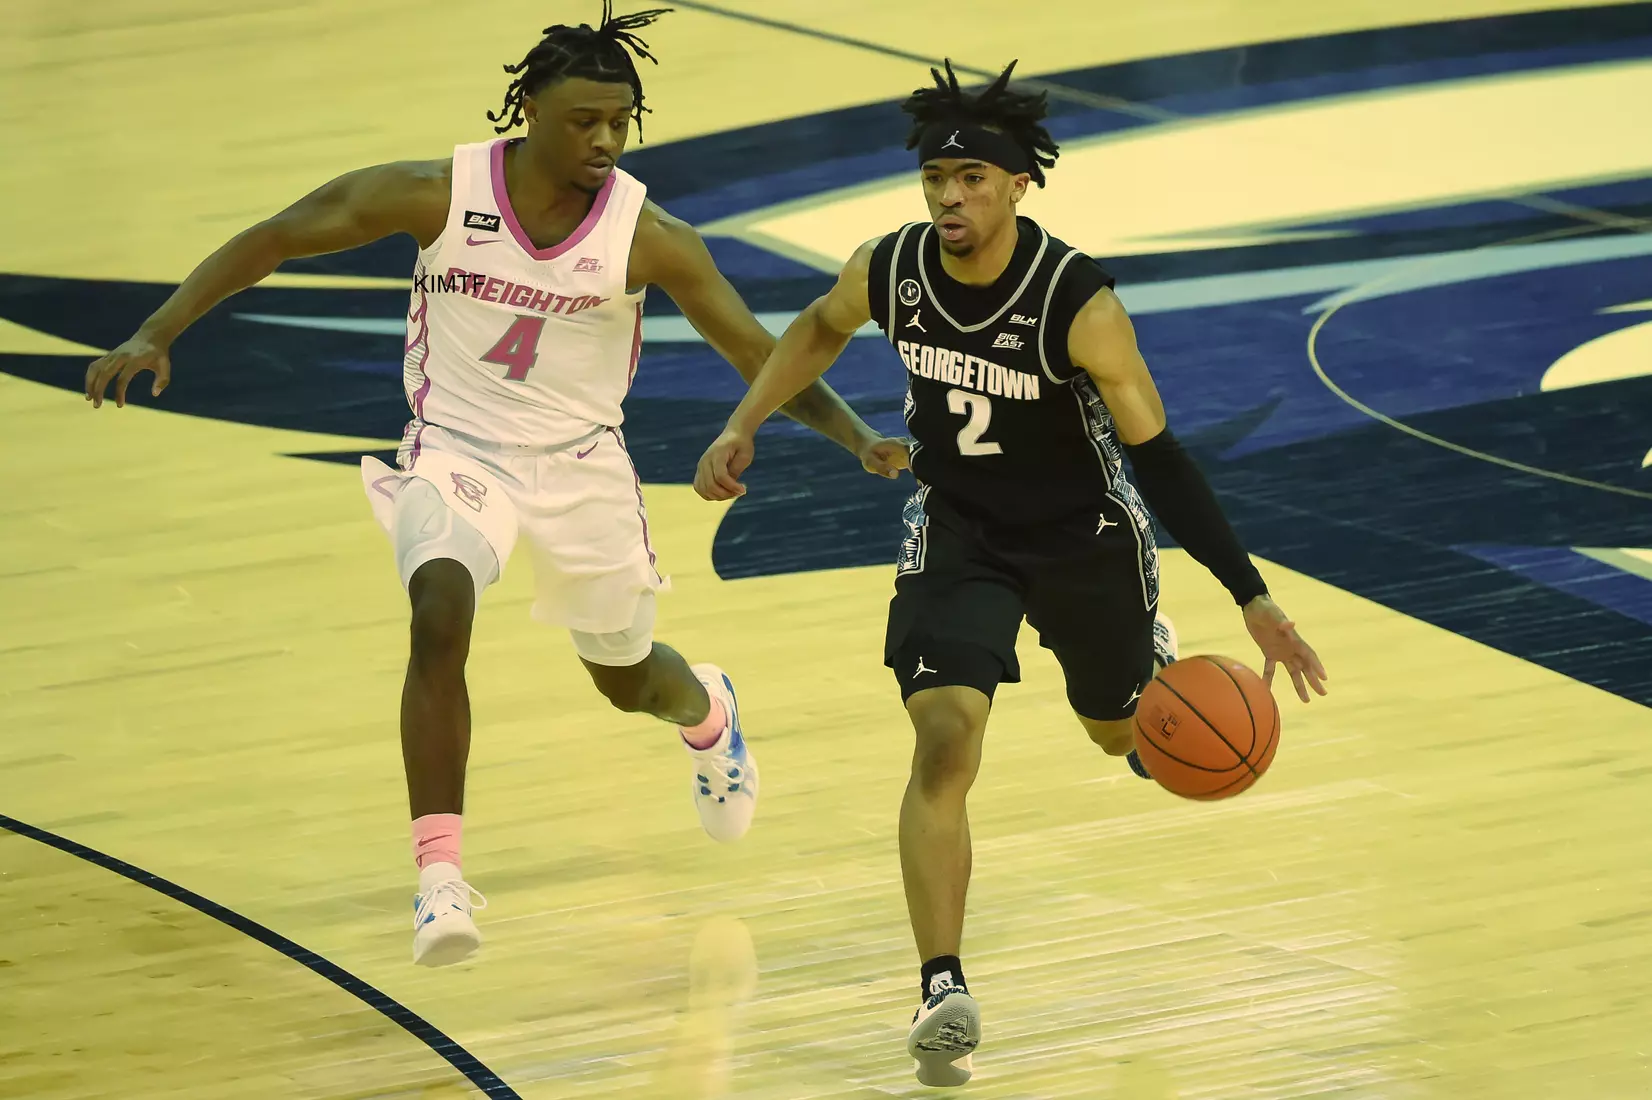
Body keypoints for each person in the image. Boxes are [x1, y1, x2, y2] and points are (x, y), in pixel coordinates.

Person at [82, 3, 907, 970]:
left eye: (620, 122)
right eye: (583, 121)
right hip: (456, 448)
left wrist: (855, 437)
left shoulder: (653, 236)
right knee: (439, 610)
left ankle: (709, 714)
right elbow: (277, 236)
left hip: (583, 466)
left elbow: (756, 352)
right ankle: (440, 880)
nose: (604, 140)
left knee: (628, 679)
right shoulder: (438, 192)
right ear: (530, 110)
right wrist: (159, 328)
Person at [694, 60, 1328, 1087]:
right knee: (945, 735)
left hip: (1084, 539)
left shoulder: (1076, 302)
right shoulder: (889, 268)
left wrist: (1248, 595)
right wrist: (742, 422)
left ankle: (1136, 679)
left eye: (972, 179)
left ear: (1018, 185)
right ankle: (940, 982)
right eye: (936, 178)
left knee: (1118, 728)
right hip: (960, 530)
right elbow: (815, 325)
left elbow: (1159, 457)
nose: (949, 196)